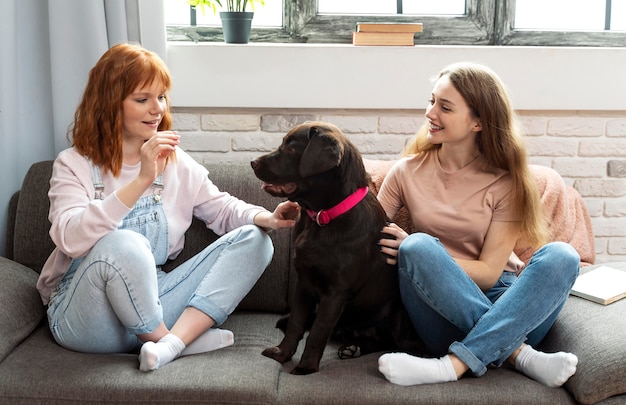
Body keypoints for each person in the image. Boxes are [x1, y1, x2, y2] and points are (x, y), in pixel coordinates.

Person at [36, 43, 300, 372]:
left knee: (255, 240)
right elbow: (71, 240)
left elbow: (221, 209)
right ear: (109, 103)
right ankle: (169, 341)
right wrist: (143, 179)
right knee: (124, 242)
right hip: (86, 317)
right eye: (142, 99)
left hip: (154, 299)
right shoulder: (74, 164)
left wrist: (268, 218)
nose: (156, 109)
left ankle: (168, 345)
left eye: (161, 97)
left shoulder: (175, 163)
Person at [376, 62, 580, 387]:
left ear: (478, 122)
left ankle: (452, 366)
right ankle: (521, 356)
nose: (430, 113)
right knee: (417, 246)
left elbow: (488, 273)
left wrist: (434, 255)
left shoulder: (506, 183)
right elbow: (364, 232)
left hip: (507, 303)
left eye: (444, 107)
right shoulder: (405, 172)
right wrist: (313, 210)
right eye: (431, 101)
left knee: (563, 256)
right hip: (437, 310)